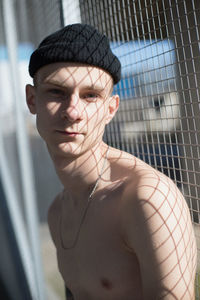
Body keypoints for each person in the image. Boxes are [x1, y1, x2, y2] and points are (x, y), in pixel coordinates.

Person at [26, 23, 197, 300]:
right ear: (32, 99)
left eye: (90, 95)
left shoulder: (147, 199)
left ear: (110, 109)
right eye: (57, 91)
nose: (73, 111)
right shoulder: (57, 212)